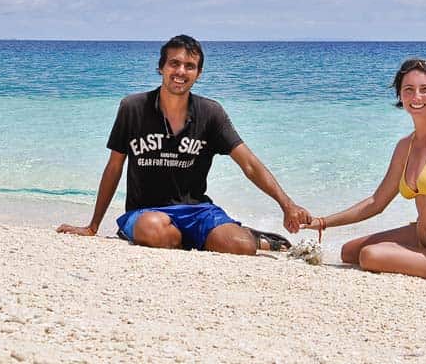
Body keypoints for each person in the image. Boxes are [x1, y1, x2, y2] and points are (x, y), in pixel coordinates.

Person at [57, 34, 310, 255]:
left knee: (240, 246)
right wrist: (92, 227)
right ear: (161, 68)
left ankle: (247, 235)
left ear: (198, 74)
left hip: (196, 210)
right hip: (146, 213)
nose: (181, 72)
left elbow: (249, 164)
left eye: (190, 66)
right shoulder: (132, 108)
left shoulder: (211, 113)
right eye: (174, 63)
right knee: (154, 230)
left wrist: (287, 205)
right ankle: (194, 238)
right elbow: (114, 167)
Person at [304, 58, 426, 285]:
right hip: (422, 237)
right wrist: (322, 222)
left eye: (425, 90)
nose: (416, 97)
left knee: (370, 255)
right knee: (349, 252)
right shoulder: (405, 146)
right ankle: (405, 252)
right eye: (408, 90)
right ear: (400, 95)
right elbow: (376, 202)